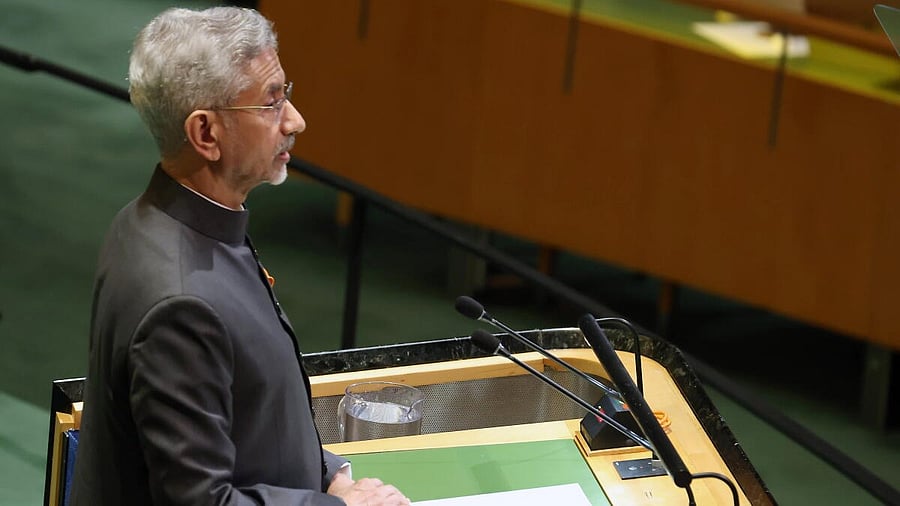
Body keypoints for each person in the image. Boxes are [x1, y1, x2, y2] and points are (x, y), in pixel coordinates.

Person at [70, 6, 410, 506]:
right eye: (271, 104)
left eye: (286, 94)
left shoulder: (166, 219)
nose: (295, 119)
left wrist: (328, 474)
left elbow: (251, 410)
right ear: (206, 134)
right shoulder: (181, 302)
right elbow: (200, 501)